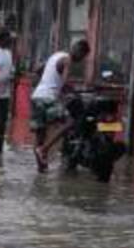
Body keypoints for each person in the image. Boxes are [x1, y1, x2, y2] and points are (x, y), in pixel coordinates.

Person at [31, 39, 91, 171]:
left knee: (40, 135)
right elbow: (64, 82)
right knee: (70, 121)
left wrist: (43, 83)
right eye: (82, 56)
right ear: (79, 51)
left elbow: (37, 70)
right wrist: (70, 91)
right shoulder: (67, 60)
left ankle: (41, 170)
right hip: (48, 97)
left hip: (37, 96)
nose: (81, 60)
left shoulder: (55, 55)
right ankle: (44, 149)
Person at [0, 29, 15, 160]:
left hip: (5, 95)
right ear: (1, 39)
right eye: (8, 38)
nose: (10, 40)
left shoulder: (8, 53)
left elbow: (11, 71)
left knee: (2, 123)